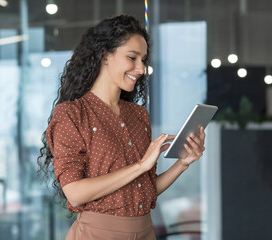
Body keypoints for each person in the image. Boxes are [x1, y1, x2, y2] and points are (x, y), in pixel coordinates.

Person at [37, 15, 206, 240]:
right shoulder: (72, 113)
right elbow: (75, 194)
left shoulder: (138, 115)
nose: (140, 68)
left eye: (143, 60)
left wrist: (182, 164)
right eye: (132, 58)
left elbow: (143, 191)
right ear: (104, 56)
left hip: (145, 230)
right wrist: (141, 165)